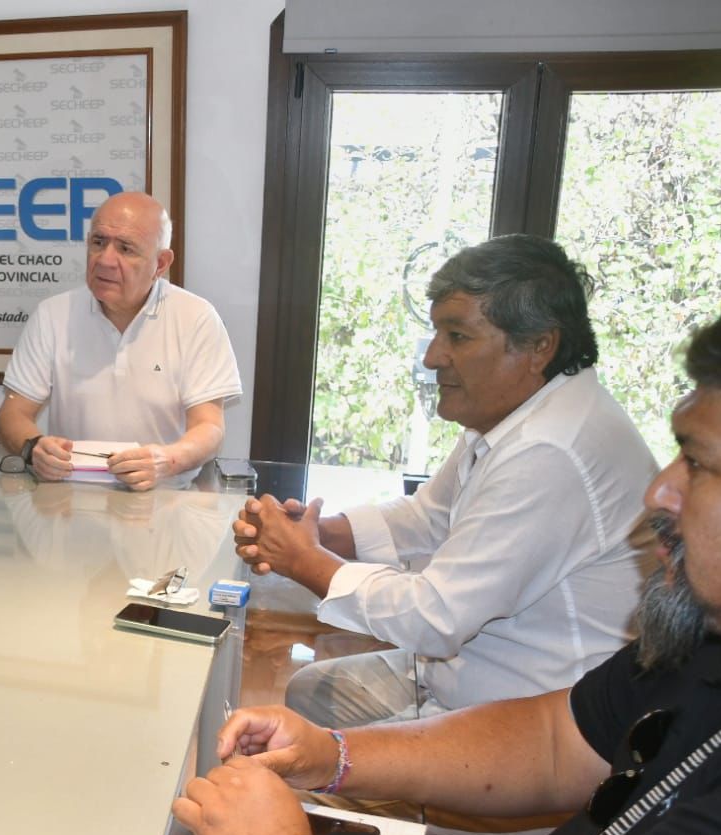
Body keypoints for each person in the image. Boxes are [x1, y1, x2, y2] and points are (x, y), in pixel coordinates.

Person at [176, 296, 721, 835]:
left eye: (699, 463)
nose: (659, 493)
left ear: (536, 347)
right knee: (322, 713)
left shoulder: (553, 451)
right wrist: (332, 755)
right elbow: (556, 739)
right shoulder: (719, 636)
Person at [234, 235, 655, 725]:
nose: (432, 357)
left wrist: (305, 560)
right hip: (469, 675)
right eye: (436, 333)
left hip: (536, 719)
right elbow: (428, 517)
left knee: (299, 745)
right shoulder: (517, 414)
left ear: (539, 346)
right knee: (312, 691)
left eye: (457, 336)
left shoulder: (550, 448)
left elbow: (435, 618)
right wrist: (317, 533)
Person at [0, 190, 242, 491]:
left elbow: (210, 426)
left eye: (126, 249)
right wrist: (33, 448)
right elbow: (12, 414)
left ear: (160, 263)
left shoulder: (196, 318)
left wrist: (167, 460)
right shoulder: (52, 315)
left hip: (163, 497)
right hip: (69, 498)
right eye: (99, 243)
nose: (105, 260)